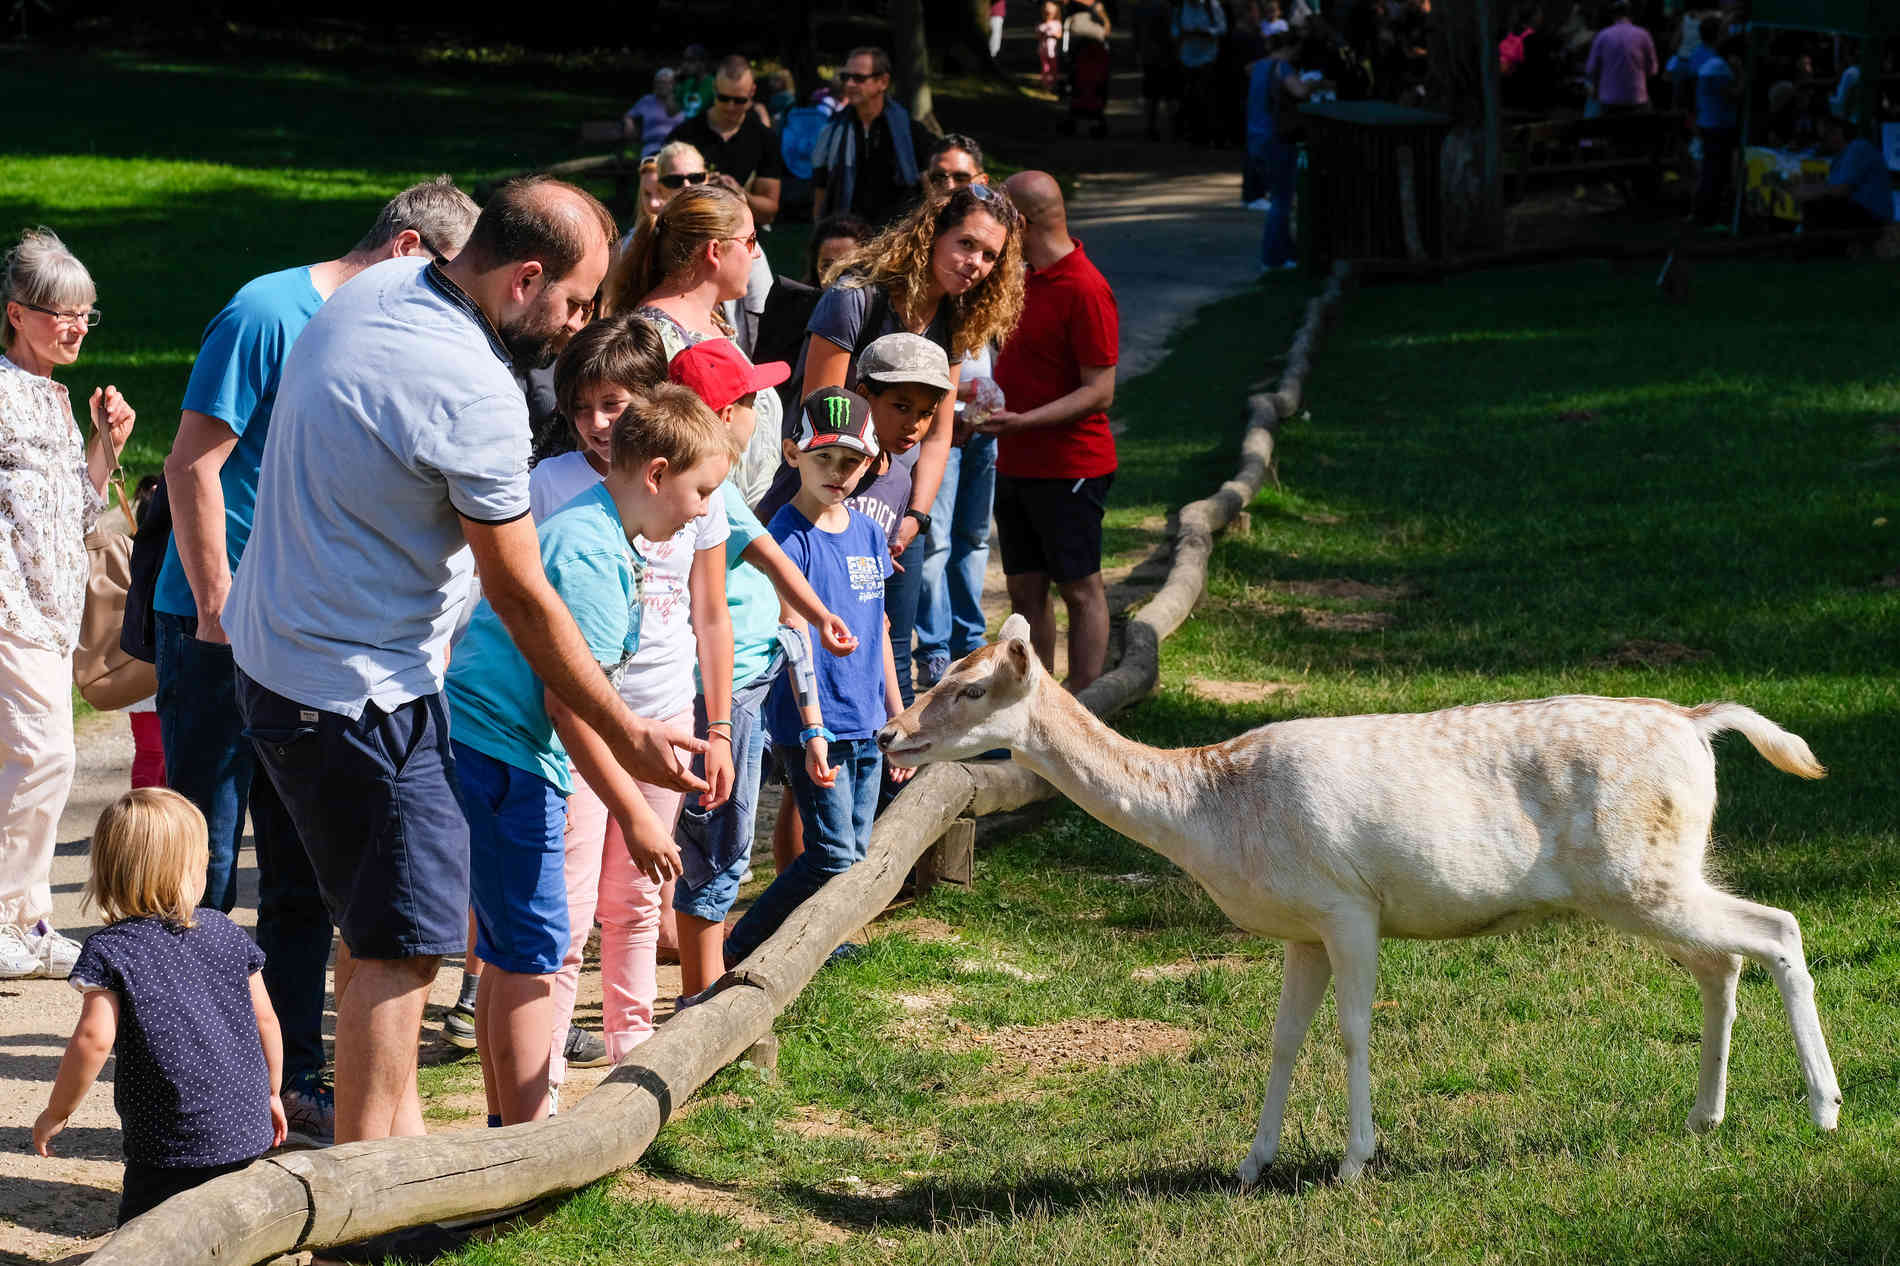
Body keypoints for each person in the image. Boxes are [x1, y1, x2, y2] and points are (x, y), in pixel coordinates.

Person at [225, 176, 707, 1148]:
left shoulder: (378, 287)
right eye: (575, 303)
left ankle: (400, 1160)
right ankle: (370, 1199)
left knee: (377, 934)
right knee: (403, 954)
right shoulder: (475, 390)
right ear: (523, 278)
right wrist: (626, 732)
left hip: (280, 662)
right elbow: (522, 594)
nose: (578, 327)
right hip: (360, 694)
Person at [154, 177, 479, 1139]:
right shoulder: (268, 311)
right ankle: (191, 1087)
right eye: (449, 276)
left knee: (302, 875)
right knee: (202, 869)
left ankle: (291, 1077)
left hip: (307, 645)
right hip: (218, 631)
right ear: (410, 248)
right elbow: (192, 462)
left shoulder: (384, 334)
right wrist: (217, 605)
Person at [447, 381, 731, 1125]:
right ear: (658, 474)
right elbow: (566, 706)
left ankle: (505, 1129)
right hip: (508, 756)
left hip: (493, 748)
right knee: (532, 954)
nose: (704, 511)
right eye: (701, 492)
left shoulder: (594, 529)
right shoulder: (593, 554)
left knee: (511, 951)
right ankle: (527, 1143)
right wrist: (635, 813)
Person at [667, 339, 856, 999]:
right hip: (722, 693)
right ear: (725, 414)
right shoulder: (704, 489)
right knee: (716, 842)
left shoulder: (715, 486)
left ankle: (706, 991)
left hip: (746, 683)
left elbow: (768, 556)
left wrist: (817, 615)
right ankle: (701, 1000)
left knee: (725, 838)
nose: (759, 412)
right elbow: (752, 569)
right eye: (751, 400)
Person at [790, 182, 1024, 706]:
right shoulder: (854, 297)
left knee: (893, 650)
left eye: (990, 256)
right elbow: (821, 415)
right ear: (933, 234)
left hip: (899, 508)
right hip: (827, 499)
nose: (975, 263)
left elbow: (940, 432)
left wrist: (915, 517)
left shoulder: (957, 316)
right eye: (966, 244)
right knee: (820, 644)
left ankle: (886, 759)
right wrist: (850, 519)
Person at [721, 383, 920, 968]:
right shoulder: (783, 537)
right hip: (814, 723)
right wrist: (811, 729)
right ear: (792, 454)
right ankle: (744, 944)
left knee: (853, 852)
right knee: (832, 852)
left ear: (871, 463)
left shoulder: (868, 533)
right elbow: (794, 633)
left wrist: (899, 718)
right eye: (823, 457)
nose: (836, 472)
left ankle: (819, 945)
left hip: (867, 719)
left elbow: (879, 632)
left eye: (850, 460)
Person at [33, 789, 287, 1225]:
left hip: (168, 1137)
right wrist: (271, 1092)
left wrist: (57, 1112)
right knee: (236, 1224)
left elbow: (93, 1039)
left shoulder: (111, 950)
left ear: (110, 871)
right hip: (245, 1125)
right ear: (194, 869)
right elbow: (266, 1020)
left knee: (150, 1231)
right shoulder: (225, 930)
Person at [1, 227, 136, 982]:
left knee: (34, 762)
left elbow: (78, 516)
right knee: (45, 758)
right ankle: (9, 919)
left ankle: (26, 921)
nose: (77, 327)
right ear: (17, 313)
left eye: (86, 314)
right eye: (62, 314)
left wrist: (104, 444)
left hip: (51, 614)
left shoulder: (53, 398)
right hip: (11, 607)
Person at [982, 172, 1119, 692]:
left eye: (999, 216)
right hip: (1016, 461)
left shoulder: (1085, 286)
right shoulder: (1022, 278)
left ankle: (1086, 701)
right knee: (1024, 590)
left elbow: (1100, 391)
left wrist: (1024, 422)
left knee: (1079, 589)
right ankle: (1037, 696)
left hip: (1070, 466)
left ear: (1018, 221)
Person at [606, 182, 785, 514]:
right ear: (715, 251)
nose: (756, 254)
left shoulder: (711, 320)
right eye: (749, 241)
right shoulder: (657, 337)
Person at [912, 138, 1001, 690]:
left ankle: (972, 641)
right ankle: (935, 648)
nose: (950, 186)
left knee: (973, 538)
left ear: (981, 181)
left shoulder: (986, 265)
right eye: (940, 176)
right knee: (935, 538)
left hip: (982, 425)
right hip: (937, 423)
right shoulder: (929, 260)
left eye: (961, 177)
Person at [810, 47, 935, 226]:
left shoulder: (910, 131)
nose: (850, 84)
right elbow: (821, 186)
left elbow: (931, 184)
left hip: (898, 232)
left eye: (859, 78)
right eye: (846, 77)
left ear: (883, 82)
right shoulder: (832, 130)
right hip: (847, 232)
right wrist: (819, 229)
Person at [667, 55, 785, 228]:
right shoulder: (684, 134)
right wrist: (698, 189)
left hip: (743, 233)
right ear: (714, 89)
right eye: (724, 98)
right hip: (692, 228)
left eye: (739, 100)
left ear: (752, 92)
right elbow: (662, 196)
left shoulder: (765, 139)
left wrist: (740, 194)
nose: (730, 106)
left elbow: (769, 213)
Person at [1250, 33, 1328, 270]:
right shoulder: (1282, 67)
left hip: (1256, 138)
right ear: (1290, 48)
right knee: (1282, 201)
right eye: (1297, 50)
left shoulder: (1258, 66)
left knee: (1279, 197)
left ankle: (1287, 254)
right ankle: (1272, 258)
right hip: (1277, 138)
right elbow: (1300, 92)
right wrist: (1316, 83)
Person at [1798, 116, 1895, 231]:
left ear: (1838, 133)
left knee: (1818, 206)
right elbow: (1832, 187)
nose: (1822, 143)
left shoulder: (1857, 148)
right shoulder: (1840, 158)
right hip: (1861, 212)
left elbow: (1842, 190)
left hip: (1873, 215)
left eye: (1825, 137)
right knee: (1814, 205)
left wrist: (1810, 192)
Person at [1692, 36, 1744, 227]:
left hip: (1708, 123)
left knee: (1710, 170)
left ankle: (1702, 212)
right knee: (1716, 172)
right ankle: (1708, 215)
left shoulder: (1709, 66)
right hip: (1719, 125)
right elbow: (1734, 94)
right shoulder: (1720, 69)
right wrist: (1742, 74)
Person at [1585, 1, 1658, 114]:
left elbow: (1591, 69)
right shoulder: (1643, 35)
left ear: (1613, 15)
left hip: (1609, 101)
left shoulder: (1603, 35)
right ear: (1632, 15)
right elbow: (1653, 70)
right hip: (1637, 99)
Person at [1174, 0, 1228, 143]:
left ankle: (1210, 134)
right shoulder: (1181, 6)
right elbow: (1174, 29)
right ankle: (1194, 134)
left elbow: (1222, 28)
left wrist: (1207, 32)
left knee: (1207, 96)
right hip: (1187, 57)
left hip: (1208, 57)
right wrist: (1182, 33)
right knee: (1190, 97)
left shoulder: (1212, 5)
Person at [1063, 0, 1114, 137]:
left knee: (1078, 85)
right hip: (1095, 60)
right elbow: (1106, 33)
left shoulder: (1073, 20)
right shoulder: (1094, 17)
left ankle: (1074, 117)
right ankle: (1095, 117)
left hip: (1082, 59)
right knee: (1095, 87)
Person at [1133, 0, 1178, 140]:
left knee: (1150, 94)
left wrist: (1138, 51)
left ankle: (1150, 128)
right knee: (1170, 94)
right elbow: (1171, 32)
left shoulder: (1140, 6)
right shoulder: (1165, 6)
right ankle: (1174, 128)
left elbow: (1136, 33)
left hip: (1148, 55)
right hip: (1165, 55)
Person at [626, 68, 687, 160]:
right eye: (658, 82)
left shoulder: (680, 100)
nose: (661, 86)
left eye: (665, 83)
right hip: (652, 146)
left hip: (677, 148)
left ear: (673, 85)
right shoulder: (647, 101)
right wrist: (629, 123)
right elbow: (629, 115)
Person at [1038, 1, 1065, 91]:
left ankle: (1053, 83)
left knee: (1054, 67)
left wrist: (1052, 34)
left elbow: (1059, 35)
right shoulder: (1041, 25)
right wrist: (1043, 33)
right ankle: (1045, 84)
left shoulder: (1057, 23)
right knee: (1045, 67)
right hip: (1043, 50)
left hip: (1053, 51)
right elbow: (1038, 36)